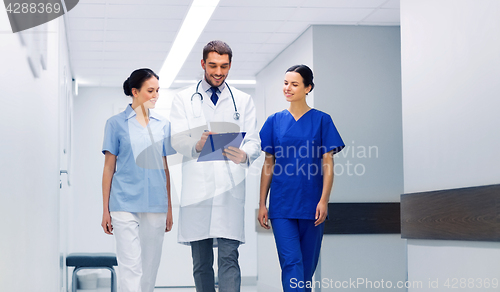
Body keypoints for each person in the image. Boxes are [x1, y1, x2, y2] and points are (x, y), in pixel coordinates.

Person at [169, 40, 261, 292]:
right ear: (202, 64)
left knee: (229, 258)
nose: (218, 72)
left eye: (224, 66)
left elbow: (254, 140)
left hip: (229, 189)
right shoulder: (183, 99)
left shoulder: (242, 100)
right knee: (201, 262)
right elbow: (176, 139)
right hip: (198, 192)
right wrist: (197, 145)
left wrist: (245, 154)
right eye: (212, 66)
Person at [258, 65, 344, 292]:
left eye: (294, 84)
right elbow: (268, 164)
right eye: (286, 83)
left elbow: (328, 163)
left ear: (308, 88)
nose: (288, 88)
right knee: (291, 263)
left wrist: (324, 200)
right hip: (282, 204)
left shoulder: (322, 121)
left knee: (307, 267)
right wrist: (261, 204)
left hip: (311, 204)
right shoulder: (274, 121)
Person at [101, 68, 176, 292]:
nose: (155, 96)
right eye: (150, 91)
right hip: (123, 203)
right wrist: (105, 209)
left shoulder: (163, 124)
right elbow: (108, 168)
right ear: (135, 92)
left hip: (156, 203)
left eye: (158, 91)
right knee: (130, 266)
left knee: (149, 268)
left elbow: (165, 167)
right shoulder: (115, 124)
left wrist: (169, 207)